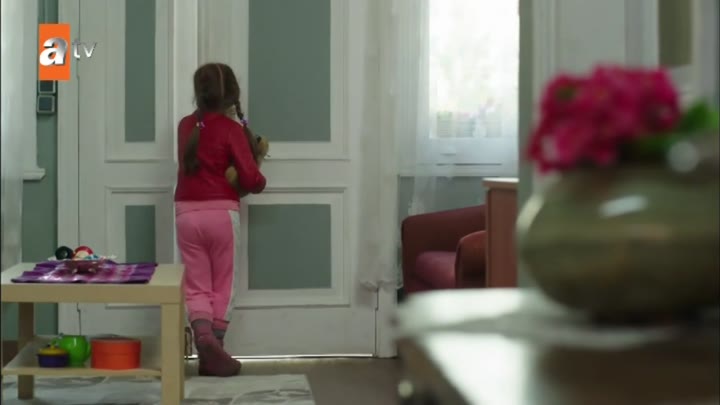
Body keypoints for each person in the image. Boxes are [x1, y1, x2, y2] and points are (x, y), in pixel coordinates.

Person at [174, 62, 266, 376]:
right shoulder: (232, 130)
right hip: (221, 215)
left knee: (197, 284)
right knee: (224, 283)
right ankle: (216, 345)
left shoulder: (185, 126)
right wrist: (260, 177)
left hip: (186, 214)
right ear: (231, 95)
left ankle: (203, 339)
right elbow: (250, 179)